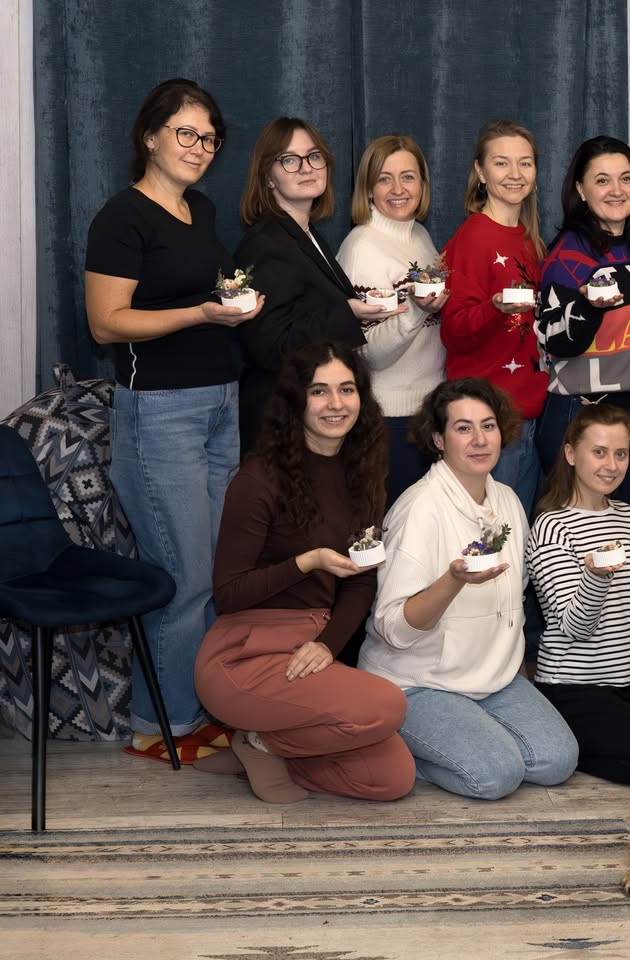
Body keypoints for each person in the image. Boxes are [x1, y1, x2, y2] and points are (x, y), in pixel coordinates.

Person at [84, 78, 262, 764]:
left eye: (210, 138)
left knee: (218, 570)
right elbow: (106, 323)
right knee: (182, 573)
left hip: (221, 404)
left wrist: (234, 303)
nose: (199, 148)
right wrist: (201, 313)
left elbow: (205, 291)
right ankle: (160, 724)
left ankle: (200, 708)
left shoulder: (202, 209)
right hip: (160, 414)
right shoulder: (121, 218)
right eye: (186, 133)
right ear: (150, 135)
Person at [192, 341, 413, 803]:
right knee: (387, 706)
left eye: (347, 389)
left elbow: (364, 576)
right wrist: (306, 562)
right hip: (243, 655)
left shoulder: (364, 470)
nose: (336, 404)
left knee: (392, 778)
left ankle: (263, 745)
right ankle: (261, 741)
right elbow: (228, 594)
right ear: (296, 401)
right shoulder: (258, 480)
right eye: (320, 391)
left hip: (309, 647)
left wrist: (328, 645)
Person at [359, 378, 578, 799]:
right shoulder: (420, 509)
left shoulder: (509, 501)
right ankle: (391, 744)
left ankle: (468, 735)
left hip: (488, 679)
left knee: (556, 760)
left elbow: (515, 601)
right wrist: (454, 580)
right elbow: (394, 628)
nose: (480, 440)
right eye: (463, 428)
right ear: (438, 439)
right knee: (496, 775)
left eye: (488, 425)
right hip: (417, 681)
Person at [528, 404, 630, 785]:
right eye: (599, 452)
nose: (611, 465)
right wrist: (595, 576)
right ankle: (566, 746)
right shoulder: (551, 527)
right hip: (573, 689)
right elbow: (574, 628)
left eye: (620, 453)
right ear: (571, 454)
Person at [235, 117, 397, 450]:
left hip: (312, 421)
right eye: (289, 160)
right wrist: (348, 312)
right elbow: (271, 346)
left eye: (314, 156)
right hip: (283, 425)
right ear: (267, 176)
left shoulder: (306, 236)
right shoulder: (265, 243)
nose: (306, 168)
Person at [535, 136, 630, 526]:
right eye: (603, 180)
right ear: (580, 189)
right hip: (583, 417)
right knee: (576, 539)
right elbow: (553, 338)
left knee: (616, 543)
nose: (617, 190)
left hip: (628, 420)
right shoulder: (570, 254)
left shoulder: (629, 249)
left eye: (626, 179)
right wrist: (589, 306)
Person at [440, 120, 550, 512]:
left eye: (525, 164)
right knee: (494, 540)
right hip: (492, 421)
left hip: (530, 413)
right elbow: (453, 331)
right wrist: (494, 308)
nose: (515, 175)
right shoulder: (473, 237)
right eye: (502, 164)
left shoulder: (530, 240)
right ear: (480, 172)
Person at [336, 135, 448, 505]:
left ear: (423, 184)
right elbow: (367, 354)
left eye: (408, 177)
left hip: (428, 413)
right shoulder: (361, 246)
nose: (398, 189)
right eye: (385, 179)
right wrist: (417, 309)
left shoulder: (420, 236)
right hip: (389, 421)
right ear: (368, 189)